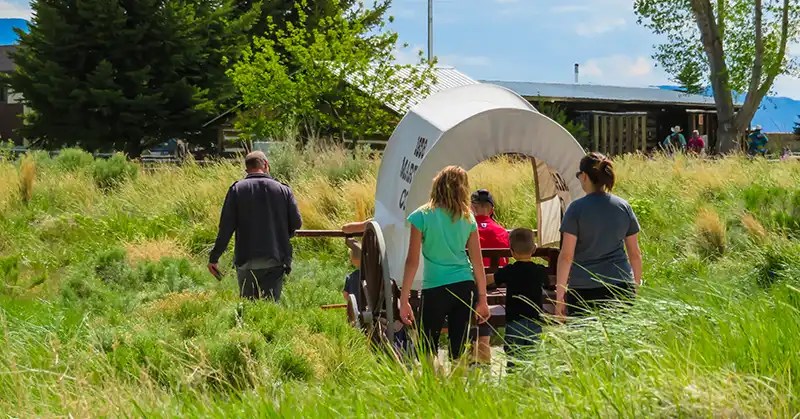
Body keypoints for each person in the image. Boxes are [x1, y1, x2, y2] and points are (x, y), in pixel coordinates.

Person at [398, 165, 491, 361]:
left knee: (427, 347)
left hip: (435, 287)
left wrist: (404, 298)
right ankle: (457, 388)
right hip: (464, 286)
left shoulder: (420, 216)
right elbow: (477, 262)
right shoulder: (468, 217)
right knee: (459, 350)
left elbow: (412, 261)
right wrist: (483, 299)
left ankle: (431, 386)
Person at [555, 152, 643, 320]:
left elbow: (566, 256)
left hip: (584, 289)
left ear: (585, 176)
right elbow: (635, 254)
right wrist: (635, 287)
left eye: (579, 175)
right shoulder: (623, 207)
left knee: (584, 342)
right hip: (620, 285)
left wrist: (560, 297)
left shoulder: (576, 209)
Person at [208, 151, 303, 301]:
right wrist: (283, 235)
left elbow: (226, 228)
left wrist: (214, 257)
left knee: (248, 306)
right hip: (275, 257)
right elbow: (296, 223)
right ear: (266, 165)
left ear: (247, 169)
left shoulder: (237, 190)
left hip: (247, 259)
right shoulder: (283, 190)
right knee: (271, 308)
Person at [494, 228, 549, 368]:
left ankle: (513, 382)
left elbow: (492, 279)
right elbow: (549, 282)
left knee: (514, 359)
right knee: (533, 359)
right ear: (534, 249)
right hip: (534, 321)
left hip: (514, 322)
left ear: (511, 251)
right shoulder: (539, 271)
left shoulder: (509, 270)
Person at [469, 189, 510, 365]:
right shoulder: (501, 231)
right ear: (491, 209)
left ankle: (474, 354)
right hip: (496, 284)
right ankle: (484, 351)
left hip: (472, 284)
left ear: (472, 208)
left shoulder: (466, 229)